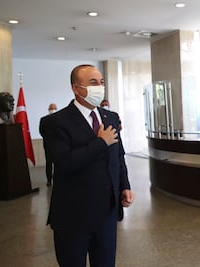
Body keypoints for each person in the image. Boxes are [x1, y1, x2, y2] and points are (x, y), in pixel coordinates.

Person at [42, 64, 135, 266]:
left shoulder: (111, 117)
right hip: (73, 215)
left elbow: (118, 157)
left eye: (101, 82)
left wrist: (125, 186)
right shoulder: (55, 123)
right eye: (93, 83)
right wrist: (100, 143)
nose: (99, 87)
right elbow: (65, 162)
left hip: (107, 213)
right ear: (76, 88)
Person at [39, 103, 58, 186]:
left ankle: (57, 179)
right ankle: (49, 180)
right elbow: (41, 131)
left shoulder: (60, 118)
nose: (52, 110)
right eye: (51, 108)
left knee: (58, 163)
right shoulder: (43, 119)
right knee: (49, 163)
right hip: (48, 144)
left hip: (58, 145)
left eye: (54, 108)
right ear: (48, 109)